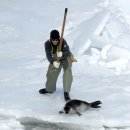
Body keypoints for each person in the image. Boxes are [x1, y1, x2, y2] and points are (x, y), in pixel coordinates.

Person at [39, 29, 73, 101]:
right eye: (53, 40)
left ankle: (66, 92)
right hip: (56, 58)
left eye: (56, 39)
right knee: (51, 72)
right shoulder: (47, 44)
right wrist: (53, 62)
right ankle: (49, 89)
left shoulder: (62, 41)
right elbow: (48, 55)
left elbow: (67, 51)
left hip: (66, 58)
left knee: (67, 72)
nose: (55, 41)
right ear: (50, 39)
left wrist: (62, 54)